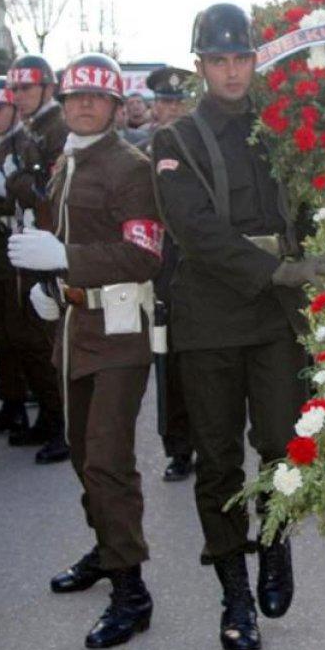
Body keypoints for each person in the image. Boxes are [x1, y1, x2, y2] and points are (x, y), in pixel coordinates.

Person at [152, 4, 325, 650]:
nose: (232, 71)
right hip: (208, 320)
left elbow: (309, 197)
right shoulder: (174, 142)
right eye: (219, 60)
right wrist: (281, 271)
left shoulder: (279, 132)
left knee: (284, 445)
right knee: (218, 462)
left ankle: (276, 541)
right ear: (201, 66)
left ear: (255, 61)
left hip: (271, 321)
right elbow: (197, 234)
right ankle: (234, 591)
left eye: (242, 58)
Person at [11, 53, 163, 649]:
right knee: (81, 455)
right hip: (74, 328)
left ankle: (132, 589)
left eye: (96, 98)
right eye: (75, 96)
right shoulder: (65, 159)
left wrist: (66, 262)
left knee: (106, 459)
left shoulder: (131, 166)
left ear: (116, 106)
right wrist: (51, 289)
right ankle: (106, 548)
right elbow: (58, 237)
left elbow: (144, 254)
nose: (83, 105)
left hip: (121, 329)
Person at [0, 75, 68, 461]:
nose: (19, 97)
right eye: (15, 91)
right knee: (19, 339)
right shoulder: (28, 130)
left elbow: (45, 190)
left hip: (43, 246)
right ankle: (47, 417)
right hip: (19, 248)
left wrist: (11, 181)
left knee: (40, 341)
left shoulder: (51, 128)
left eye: (25, 90)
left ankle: (60, 424)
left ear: (47, 89)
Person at [144, 66, 196, 480]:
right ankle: (179, 448)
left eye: (178, 101)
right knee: (172, 368)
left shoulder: (207, 149)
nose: (172, 108)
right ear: (153, 108)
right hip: (163, 274)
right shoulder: (139, 155)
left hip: (207, 272)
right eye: (164, 102)